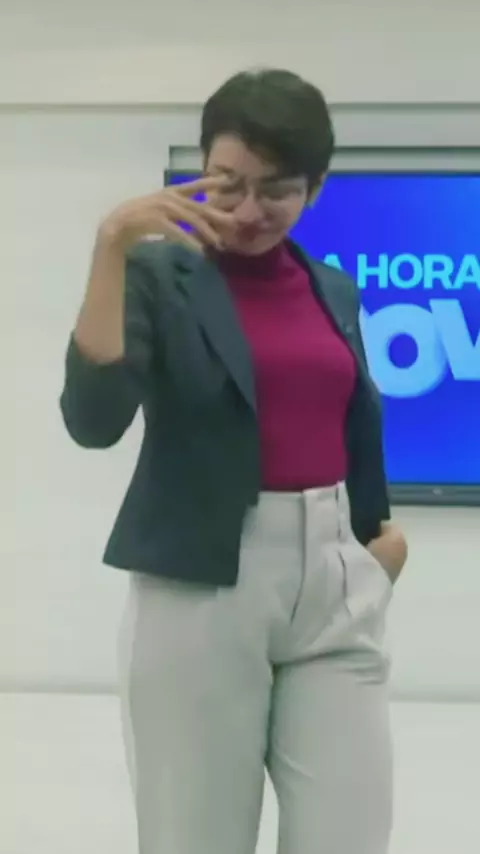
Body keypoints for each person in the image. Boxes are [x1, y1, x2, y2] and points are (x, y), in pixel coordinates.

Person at [60, 68, 407, 854]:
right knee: (196, 837)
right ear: (201, 170)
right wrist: (111, 245)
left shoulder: (333, 289)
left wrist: (376, 542)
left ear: (315, 188)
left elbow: (352, 417)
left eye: (276, 189)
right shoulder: (157, 276)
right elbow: (93, 421)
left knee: (349, 833)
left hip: (336, 583)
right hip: (203, 583)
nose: (250, 210)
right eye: (228, 183)